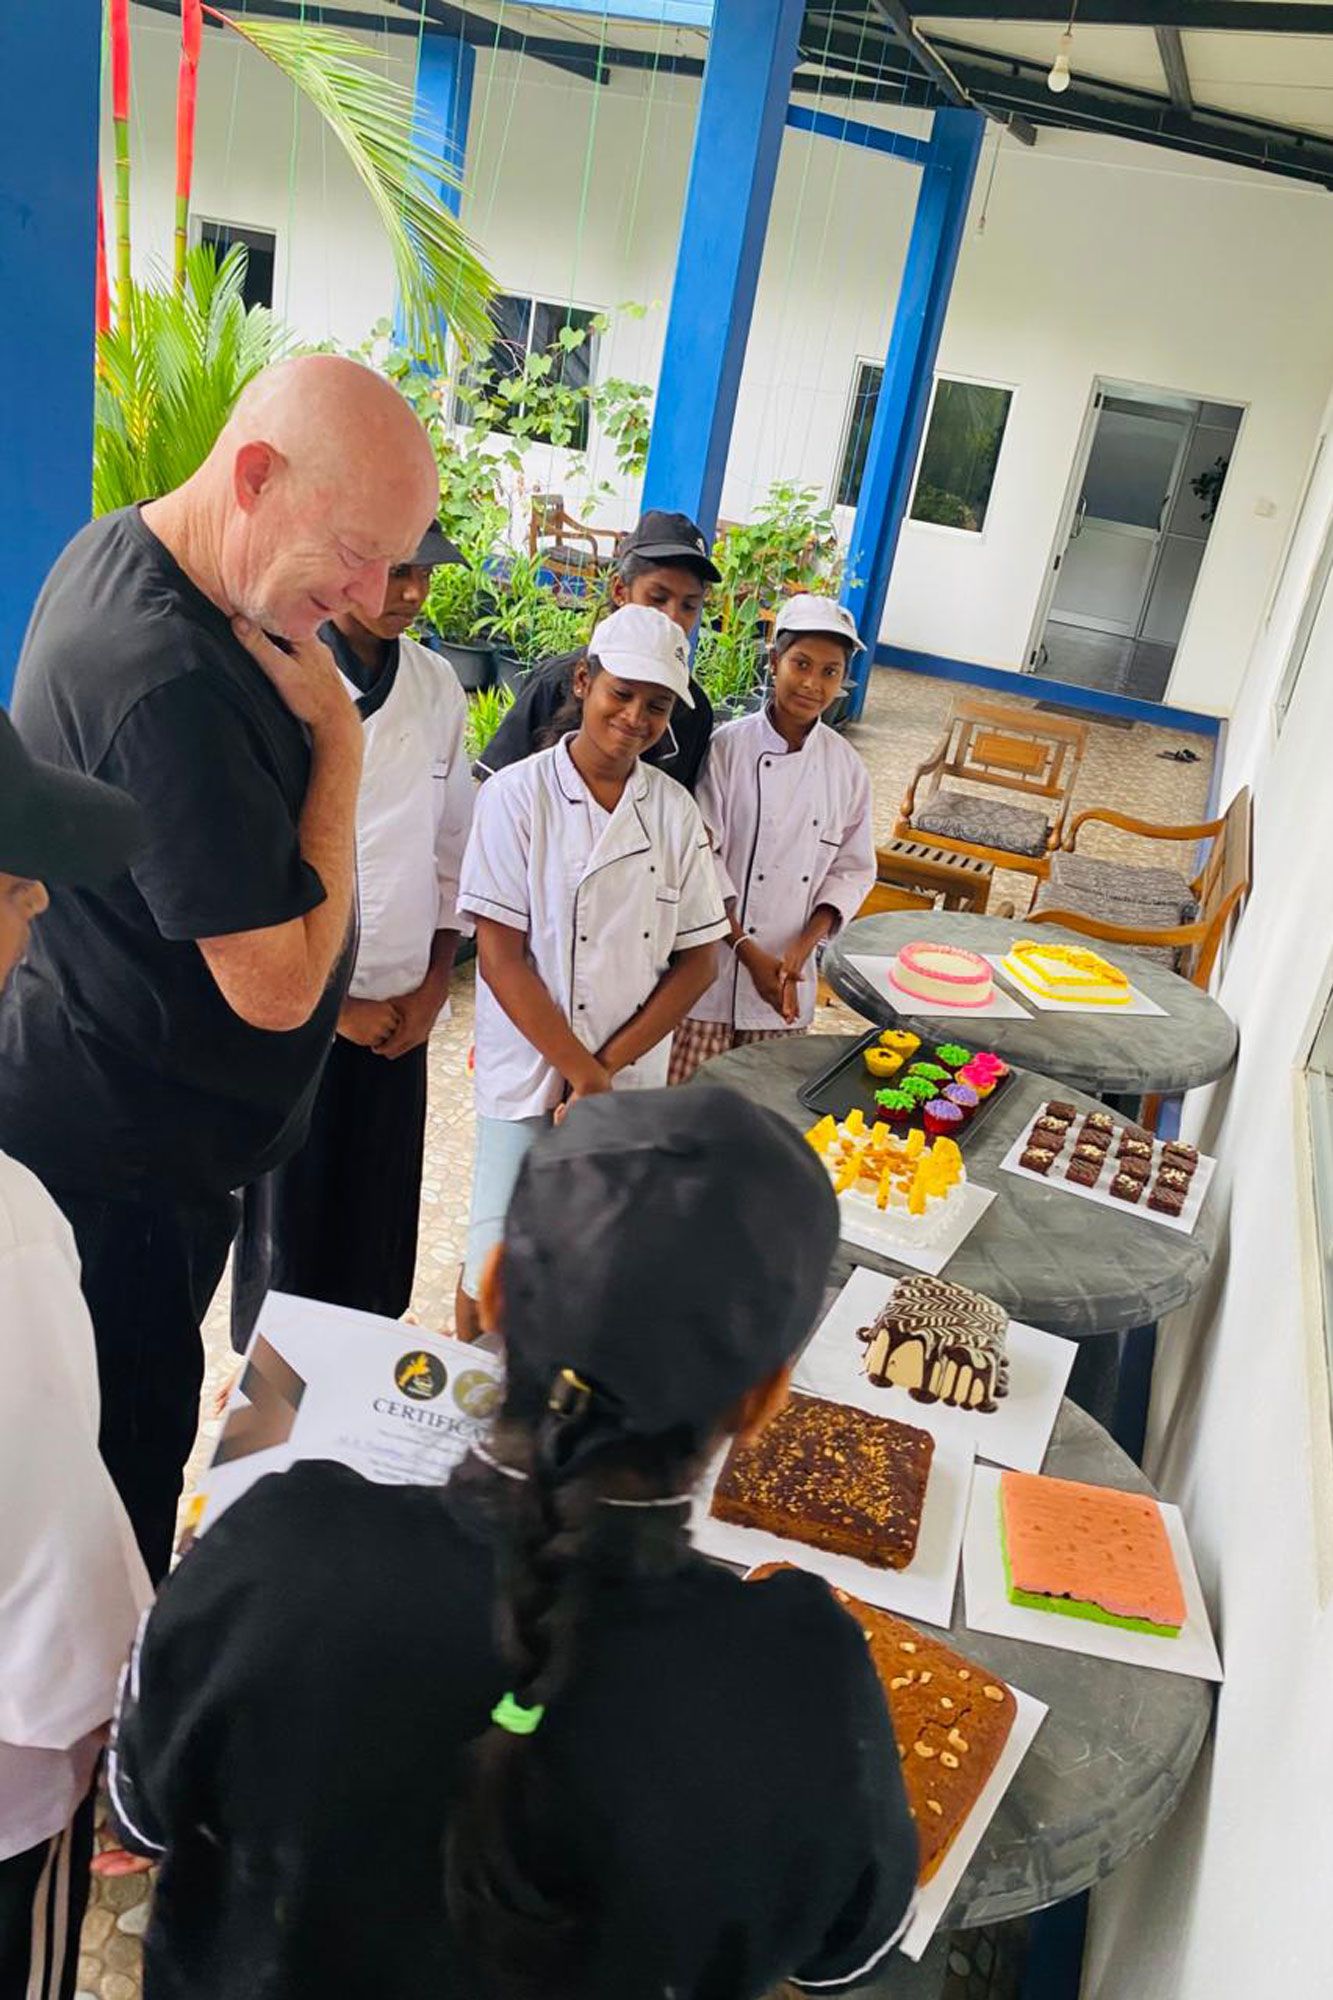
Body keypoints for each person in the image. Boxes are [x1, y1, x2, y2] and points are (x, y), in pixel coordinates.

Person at [107, 1085, 919, 2000]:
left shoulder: (274, 1549)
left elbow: (142, 1815)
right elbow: (846, 1955)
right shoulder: (802, 1683)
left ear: (491, 1293)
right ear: (765, 1400)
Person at [0, 355, 438, 1580]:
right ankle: (110, 1752)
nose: (368, 593)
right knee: (115, 1505)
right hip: (118, 1173)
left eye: (394, 561)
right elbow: (281, 987)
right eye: (354, 552)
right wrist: (339, 750)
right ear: (253, 476)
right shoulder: (170, 682)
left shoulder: (131, 547)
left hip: (124, 1115)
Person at [454, 603, 728, 1340]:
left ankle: (549, 1423)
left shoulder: (672, 813)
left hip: (625, 1075)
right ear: (583, 681)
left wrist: (606, 1072)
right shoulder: (517, 796)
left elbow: (698, 961)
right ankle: (467, 1409)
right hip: (527, 1068)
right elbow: (501, 955)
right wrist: (583, 1072)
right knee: (492, 1258)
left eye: (657, 704)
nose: (636, 716)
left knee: (588, 1263)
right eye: (622, 693)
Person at [230, 520, 474, 1347]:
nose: (410, 593)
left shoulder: (439, 686)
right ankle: (273, 1396)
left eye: (425, 576)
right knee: (292, 1228)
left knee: (375, 1218)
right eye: (396, 571)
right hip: (302, 1008)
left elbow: (450, 849)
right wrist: (336, 1013)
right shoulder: (285, 669)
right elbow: (253, 866)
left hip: (403, 1008)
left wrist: (435, 986)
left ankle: (360, 1378)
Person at [0, 711, 152, 2000]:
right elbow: (51, 1577)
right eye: (9, 878)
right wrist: (126, 1732)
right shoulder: (5, 1225)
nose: (40, 900)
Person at [670, 595, 876, 1085]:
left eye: (830, 671)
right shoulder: (727, 748)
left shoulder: (846, 768)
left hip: (787, 982)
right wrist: (744, 947)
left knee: (757, 1121)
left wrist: (801, 951)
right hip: (712, 972)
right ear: (774, 660)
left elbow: (851, 870)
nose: (812, 684)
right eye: (800, 664)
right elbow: (702, 857)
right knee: (683, 1112)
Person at [474, 509, 719, 793]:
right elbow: (494, 788)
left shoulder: (693, 711)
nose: (672, 617)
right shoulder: (553, 682)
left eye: (689, 606)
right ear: (619, 590)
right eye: (657, 598)